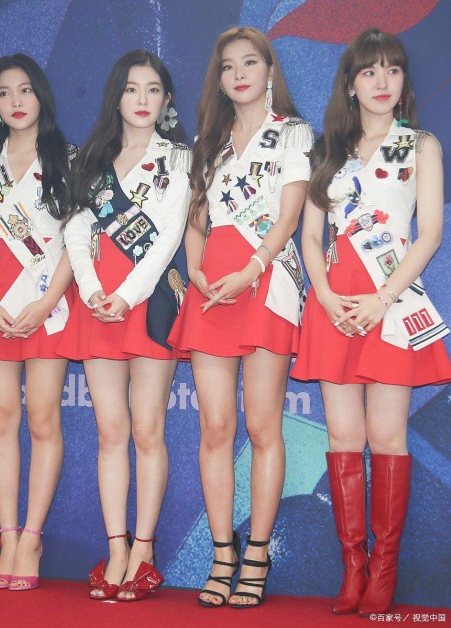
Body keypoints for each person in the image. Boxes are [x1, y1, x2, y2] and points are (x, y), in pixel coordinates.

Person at [291, 28, 451, 616]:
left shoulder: (421, 146)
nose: (382, 81)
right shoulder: (328, 150)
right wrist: (325, 295)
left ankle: (384, 568)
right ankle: (352, 567)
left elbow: (429, 234)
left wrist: (383, 298)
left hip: (391, 301)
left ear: (404, 80)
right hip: (334, 302)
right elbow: (311, 237)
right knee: (343, 438)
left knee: (387, 437)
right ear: (351, 84)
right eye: (369, 71)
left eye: (392, 69)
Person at [168, 26, 312, 608]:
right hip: (211, 288)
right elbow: (195, 220)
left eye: (249, 63)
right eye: (228, 67)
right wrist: (196, 269)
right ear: (220, 80)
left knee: (262, 428)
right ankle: (221, 551)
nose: (239, 74)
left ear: (269, 70)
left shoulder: (293, 132)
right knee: (215, 427)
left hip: (265, 278)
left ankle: (257, 552)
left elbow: (289, 216)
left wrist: (250, 270)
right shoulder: (209, 141)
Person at [58, 49, 190, 602]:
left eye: (153, 89)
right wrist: (92, 290)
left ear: (166, 100)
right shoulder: (91, 158)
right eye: (132, 89)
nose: (142, 99)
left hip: (149, 302)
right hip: (98, 304)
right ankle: (116, 548)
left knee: (147, 430)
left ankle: (144, 550)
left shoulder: (179, 159)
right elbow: (74, 230)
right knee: (110, 432)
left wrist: (126, 295)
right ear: (116, 96)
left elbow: (169, 235)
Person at [0, 54, 75, 591]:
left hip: (47, 307)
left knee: (42, 420)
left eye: (25, 90)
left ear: (41, 95)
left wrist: (48, 301)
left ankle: (32, 538)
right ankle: (7, 536)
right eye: (4, 93)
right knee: (1, 418)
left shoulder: (67, 158)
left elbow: (77, 241)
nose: (16, 101)